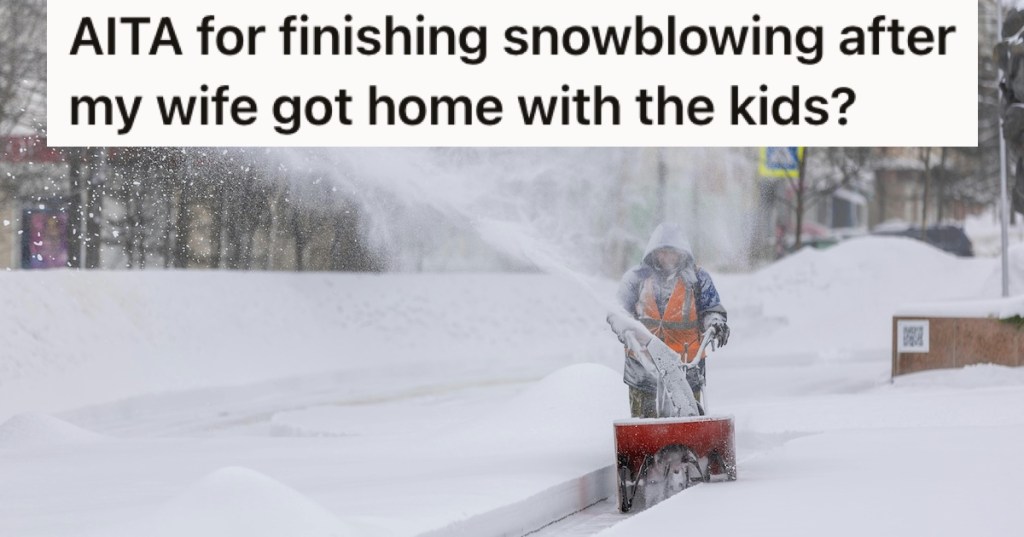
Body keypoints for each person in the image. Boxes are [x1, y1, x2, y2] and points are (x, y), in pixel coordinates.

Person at [617, 222, 729, 418]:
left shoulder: (697, 279)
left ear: (682, 253)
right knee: (643, 429)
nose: (667, 257)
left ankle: (688, 448)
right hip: (643, 366)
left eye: (672, 252)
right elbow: (617, 310)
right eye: (662, 252)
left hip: (686, 368)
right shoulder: (636, 278)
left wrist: (715, 323)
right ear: (653, 252)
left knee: (688, 421)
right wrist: (623, 327)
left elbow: (711, 309)